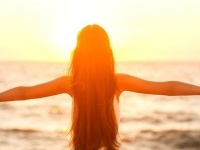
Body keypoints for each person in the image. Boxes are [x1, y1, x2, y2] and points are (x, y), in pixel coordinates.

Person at [0, 24, 200, 150]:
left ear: (78, 53)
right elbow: (168, 88)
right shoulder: (117, 81)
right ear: (107, 52)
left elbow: (23, 93)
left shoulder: (71, 83)